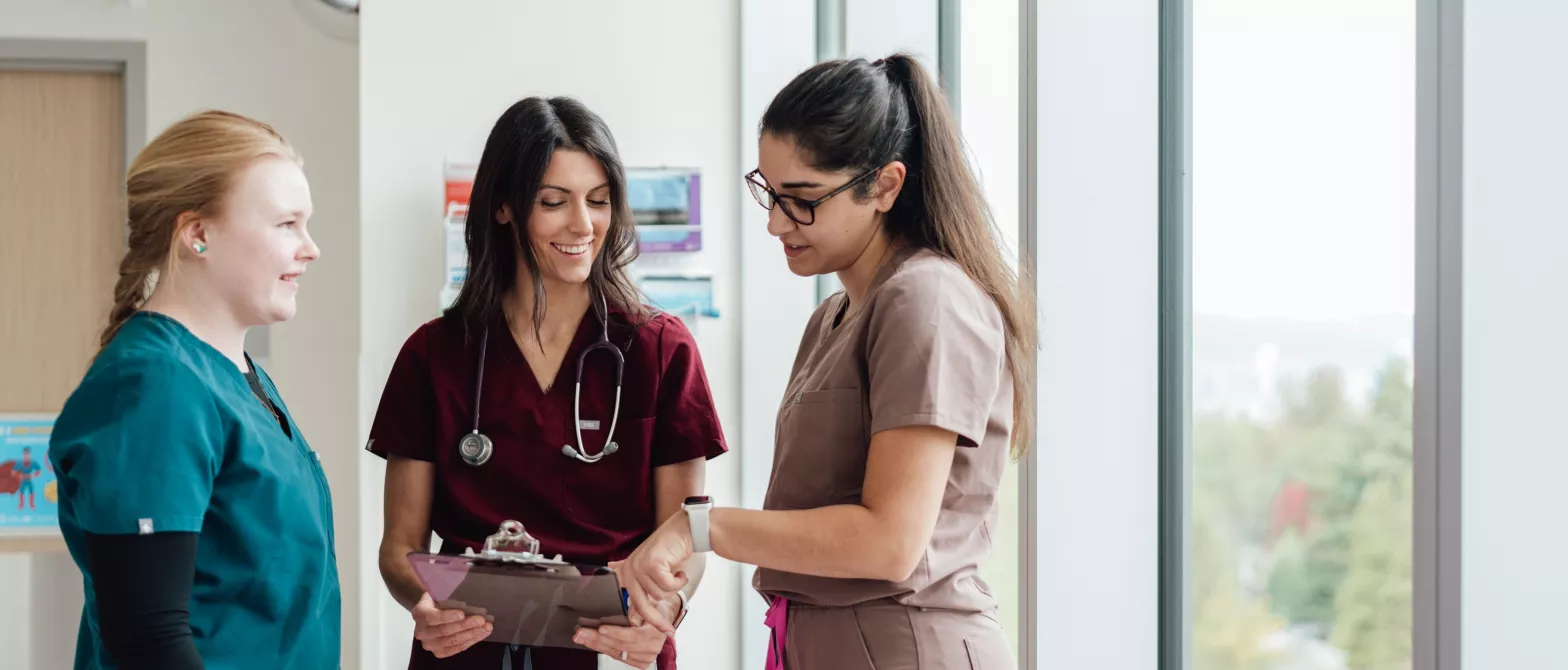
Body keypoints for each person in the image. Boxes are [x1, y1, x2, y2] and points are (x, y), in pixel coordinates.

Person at [613, 53, 1036, 669]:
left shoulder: (927, 299)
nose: (776, 223)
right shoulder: (832, 317)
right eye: (770, 193)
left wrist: (699, 526)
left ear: (886, 186)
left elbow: (890, 543)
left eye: (803, 199)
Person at [368, 96, 728, 670]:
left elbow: (687, 536)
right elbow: (398, 547)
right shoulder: (433, 355)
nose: (583, 225)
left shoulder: (660, 350)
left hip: (612, 650)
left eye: (599, 201)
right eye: (554, 202)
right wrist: (421, 605)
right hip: (468, 651)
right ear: (505, 207)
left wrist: (669, 612)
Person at [48, 110, 339, 669]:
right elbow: (148, 642)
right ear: (198, 234)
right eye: (286, 224)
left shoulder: (239, 375)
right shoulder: (155, 386)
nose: (310, 248)